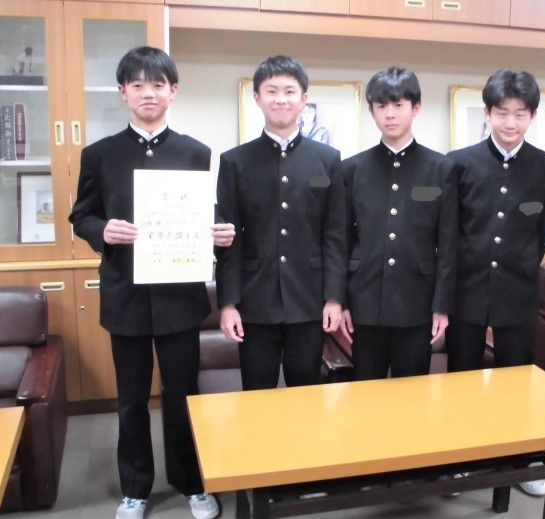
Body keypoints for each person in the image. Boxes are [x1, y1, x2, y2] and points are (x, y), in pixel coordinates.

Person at [68, 46, 234, 519]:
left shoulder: (195, 152)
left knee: (183, 396)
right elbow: (82, 215)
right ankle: (136, 489)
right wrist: (103, 230)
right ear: (123, 92)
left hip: (179, 296)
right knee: (131, 399)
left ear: (173, 91)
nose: (148, 93)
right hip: (126, 296)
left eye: (158, 84)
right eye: (137, 84)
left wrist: (218, 231)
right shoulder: (99, 154)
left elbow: (203, 212)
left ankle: (192, 483)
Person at [446, 68, 545, 497]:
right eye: (502, 112)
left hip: (517, 289)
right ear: (487, 113)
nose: (510, 122)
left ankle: (518, 462)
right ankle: (458, 462)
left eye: (519, 113)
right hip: (466, 289)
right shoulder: (458, 163)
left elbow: (542, 231)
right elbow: (450, 231)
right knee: (461, 376)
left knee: (517, 378)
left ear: (532, 115)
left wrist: (519, 264)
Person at [215, 55, 347, 390]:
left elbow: (335, 234)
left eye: (290, 91)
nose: (281, 99)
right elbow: (230, 242)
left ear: (304, 99)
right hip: (255, 303)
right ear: (257, 98)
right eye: (271, 91)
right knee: (256, 397)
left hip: (309, 300)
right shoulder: (235, 162)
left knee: (305, 397)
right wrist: (228, 304)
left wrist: (334, 297)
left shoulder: (327, 160)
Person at [338, 66, 459, 380]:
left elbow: (448, 244)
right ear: (372, 111)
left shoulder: (440, 169)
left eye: (399, 105)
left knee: (413, 392)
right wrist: (343, 302)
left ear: (416, 108)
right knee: (367, 389)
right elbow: (341, 241)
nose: (390, 114)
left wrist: (442, 306)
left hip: (417, 301)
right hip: (365, 300)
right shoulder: (352, 169)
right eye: (381, 106)